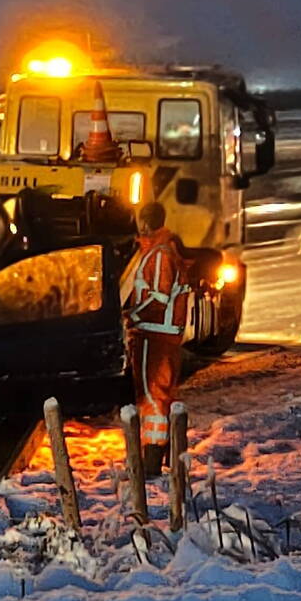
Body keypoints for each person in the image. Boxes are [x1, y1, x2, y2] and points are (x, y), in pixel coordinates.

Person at [120, 201, 190, 475]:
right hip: (163, 334)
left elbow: (157, 298)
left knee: (151, 395)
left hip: (154, 332)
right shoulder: (164, 250)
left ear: (146, 223)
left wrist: (129, 316)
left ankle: (151, 459)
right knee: (163, 395)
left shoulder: (159, 254)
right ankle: (170, 454)